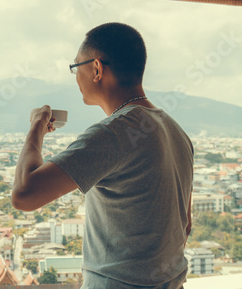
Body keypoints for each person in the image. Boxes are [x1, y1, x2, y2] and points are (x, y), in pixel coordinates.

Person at [12, 22, 193, 289]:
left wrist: (37, 125)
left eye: (76, 67)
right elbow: (184, 225)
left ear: (96, 69)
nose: (75, 76)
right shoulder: (176, 131)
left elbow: (24, 195)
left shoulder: (115, 132)